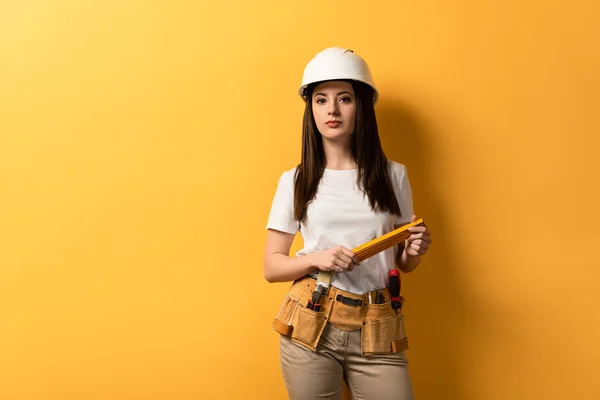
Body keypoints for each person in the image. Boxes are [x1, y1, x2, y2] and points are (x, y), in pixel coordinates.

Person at [263, 47, 432, 400]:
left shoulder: (393, 176)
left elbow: (403, 262)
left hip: (379, 321)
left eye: (344, 99)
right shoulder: (295, 180)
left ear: (363, 107)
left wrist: (414, 251)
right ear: (311, 109)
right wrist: (316, 259)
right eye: (321, 100)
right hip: (311, 319)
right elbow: (272, 265)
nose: (332, 110)